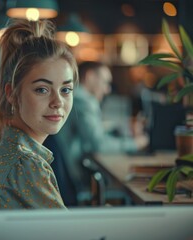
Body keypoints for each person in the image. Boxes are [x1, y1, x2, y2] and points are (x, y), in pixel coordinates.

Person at [0, 19, 78, 210]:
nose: (58, 102)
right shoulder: (26, 164)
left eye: (66, 90)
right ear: (12, 93)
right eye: (42, 90)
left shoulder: (2, 148)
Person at [48, 61, 147, 199]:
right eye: (106, 82)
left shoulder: (76, 96)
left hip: (65, 172)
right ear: (90, 77)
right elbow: (98, 144)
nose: (107, 89)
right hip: (74, 178)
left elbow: (94, 133)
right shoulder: (83, 100)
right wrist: (136, 143)